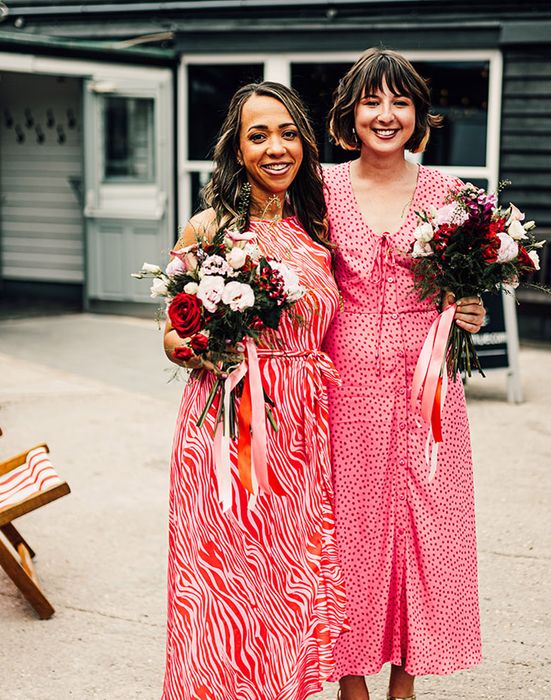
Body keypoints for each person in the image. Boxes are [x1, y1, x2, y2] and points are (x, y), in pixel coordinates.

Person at [161, 81, 348, 700]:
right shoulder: (210, 228)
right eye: (258, 134)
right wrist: (211, 337)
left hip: (304, 433)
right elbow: (170, 337)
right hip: (228, 426)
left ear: (305, 143)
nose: (275, 148)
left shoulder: (318, 229)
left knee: (290, 582)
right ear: (237, 150)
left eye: (288, 133)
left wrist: (463, 304)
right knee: (225, 586)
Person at [322, 49, 486, 700]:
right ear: (350, 112)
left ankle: (405, 680)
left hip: (428, 390)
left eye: (400, 102)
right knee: (349, 535)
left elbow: (465, 287)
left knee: (423, 529)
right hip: (344, 388)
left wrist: (471, 305)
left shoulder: (448, 193)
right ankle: (351, 679)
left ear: (418, 114)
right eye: (372, 101)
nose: (385, 115)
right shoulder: (321, 187)